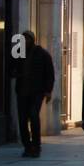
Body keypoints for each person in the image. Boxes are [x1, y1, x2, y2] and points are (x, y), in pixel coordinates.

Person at [12, 30, 55, 158]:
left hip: (37, 92)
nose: (25, 42)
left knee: (33, 115)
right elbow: (11, 68)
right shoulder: (19, 54)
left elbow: (49, 74)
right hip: (22, 91)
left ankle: (36, 146)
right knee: (22, 119)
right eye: (23, 39)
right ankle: (27, 146)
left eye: (28, 39)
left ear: (33, 40)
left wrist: (48, 91)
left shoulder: (42, 54)